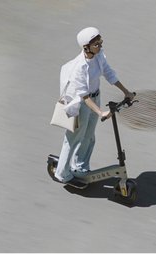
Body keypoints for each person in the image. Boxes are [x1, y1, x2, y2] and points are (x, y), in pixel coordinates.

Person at [54, 27, 135, 184]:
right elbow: (84, 96)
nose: (100, 46)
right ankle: (62, 173)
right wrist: (100, 112)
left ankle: (80, 167)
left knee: (89, 137)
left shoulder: (99, 56)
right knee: (74, 138)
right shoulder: (79, 67)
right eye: (96, 44)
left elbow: (109, 73)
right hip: (82, 104)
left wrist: (126, 92)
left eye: (100, 42)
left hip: (96, 97)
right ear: (86, 47)